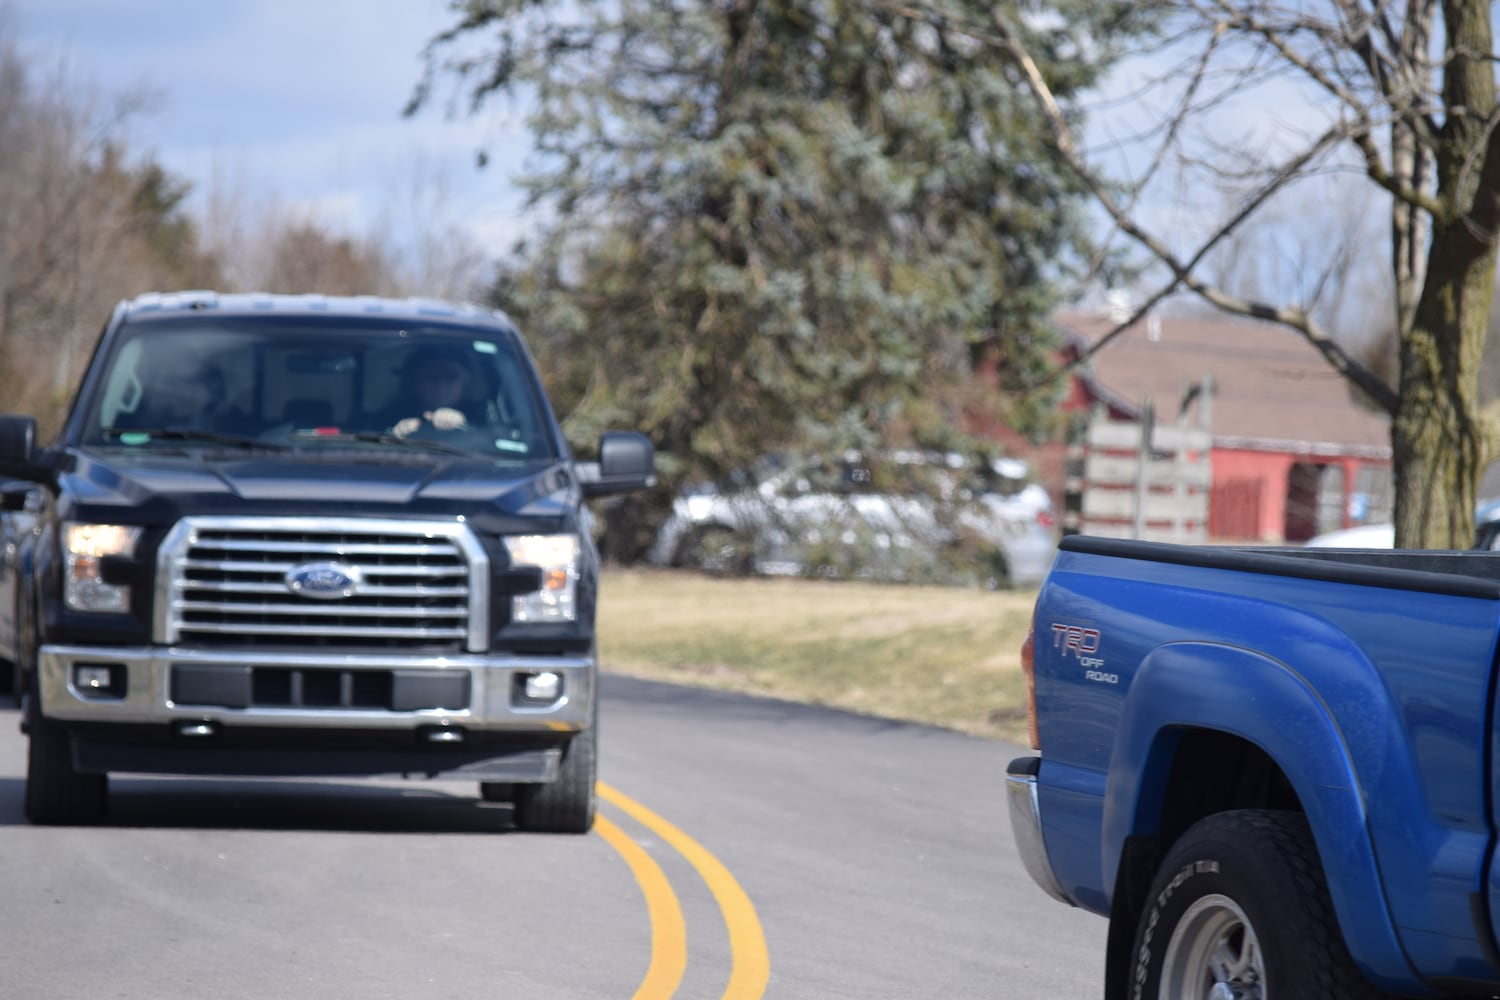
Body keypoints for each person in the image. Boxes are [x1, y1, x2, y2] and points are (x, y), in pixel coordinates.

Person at [377, 344, 488, 438]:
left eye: (451, 376)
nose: (441, 384)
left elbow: (493, 445)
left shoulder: (484, 414)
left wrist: (464, 426)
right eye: (432, 376)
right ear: (415, 382)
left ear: (465, 382)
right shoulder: (390, 416)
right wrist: (394, 436)